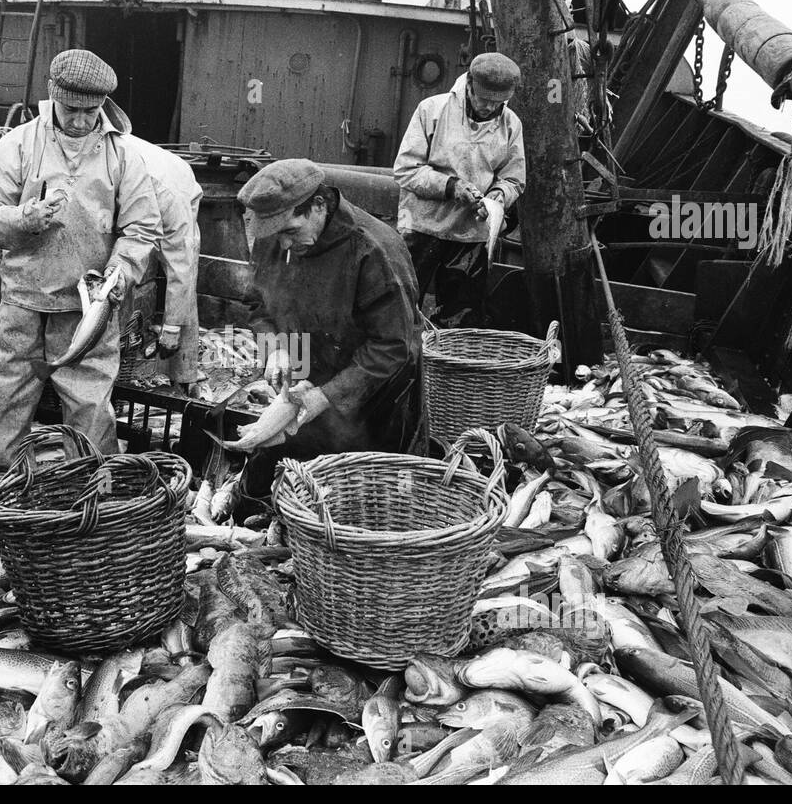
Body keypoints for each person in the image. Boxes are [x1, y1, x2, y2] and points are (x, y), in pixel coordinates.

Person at [0, 49, 162, 472]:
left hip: (88, 308)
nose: (79, 120)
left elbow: (142, 228)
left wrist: (120, 273)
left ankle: (94, 482)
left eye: (90, 111)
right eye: (71, 109)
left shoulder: (123, 156)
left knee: (90, 401)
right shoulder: (17, 144)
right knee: (6, 391)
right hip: (21, 300)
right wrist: (23, 219)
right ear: (52, 96)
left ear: (104, 106)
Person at [237, 159, 422, 486]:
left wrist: (328, 395)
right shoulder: (276, 232)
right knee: (280, 485)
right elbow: (257, 301)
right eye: (276, 235)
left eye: (291, 232)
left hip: (374, 397)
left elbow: (393, 346)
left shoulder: (375, 250)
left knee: (364, 492)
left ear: (319, 206)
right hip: (307, 380)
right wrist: (277, 349)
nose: (283, 245)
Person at [394, 51, 527, 327]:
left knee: (462, 318)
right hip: (420, 226)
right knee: (399, 307)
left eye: (498, 102)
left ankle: (446, 366)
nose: (490, 108)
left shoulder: (512, 123)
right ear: (468, 85)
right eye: (484, 99)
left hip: (470, 233)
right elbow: (406, 170)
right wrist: (452, 187)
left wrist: (497, 196)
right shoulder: (431, 109)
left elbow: (514, 179)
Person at [121, 134, 204, 392]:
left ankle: (184, 376)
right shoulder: (109, 161)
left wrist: (171, 327)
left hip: (176, 189)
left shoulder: (167, 195)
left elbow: (181, 265)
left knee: (184, 271)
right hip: (134, 192)